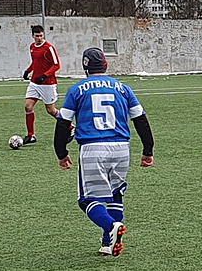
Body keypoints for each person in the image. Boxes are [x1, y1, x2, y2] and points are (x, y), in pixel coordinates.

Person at [53, 47, 154, 257]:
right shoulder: (123, 88)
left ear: (85, 66)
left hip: (93, 148)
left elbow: (63, 123)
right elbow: (140, 119)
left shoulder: (77, 89)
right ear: (105, 65)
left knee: (87, 200)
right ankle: (108, 243)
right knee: (115, 194)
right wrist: (148, 149)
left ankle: (110, 227)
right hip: (121, 148)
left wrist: (61, 153)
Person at [22, 25, 62, 145]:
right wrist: (28, 71)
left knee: (50, 110)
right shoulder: (32, 47)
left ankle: (70, 127)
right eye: (36, 35)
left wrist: (45, 75)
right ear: (32, 35)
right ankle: (31, 135)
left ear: (43, 35)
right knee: (28, 106)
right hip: (34, 83)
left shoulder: (49, 48)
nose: (39, 38)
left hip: (47, 84)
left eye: (41, 35)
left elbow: (57, 65)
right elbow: (35, 62)